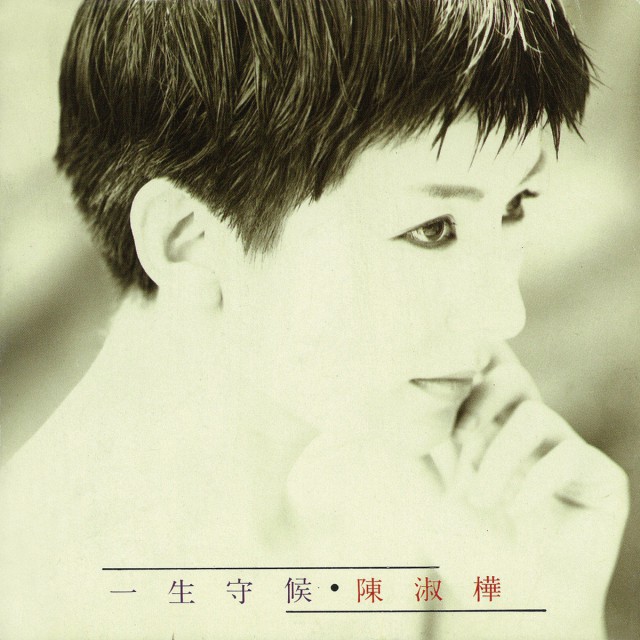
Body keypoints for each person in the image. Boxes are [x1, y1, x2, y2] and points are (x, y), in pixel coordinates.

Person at [0, 1, 629, 638]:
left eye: (515, 205)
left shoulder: (427, 507)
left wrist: (544, 608)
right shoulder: (44, 599)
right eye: (433, 228)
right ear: (188, 242)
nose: (506, 314)